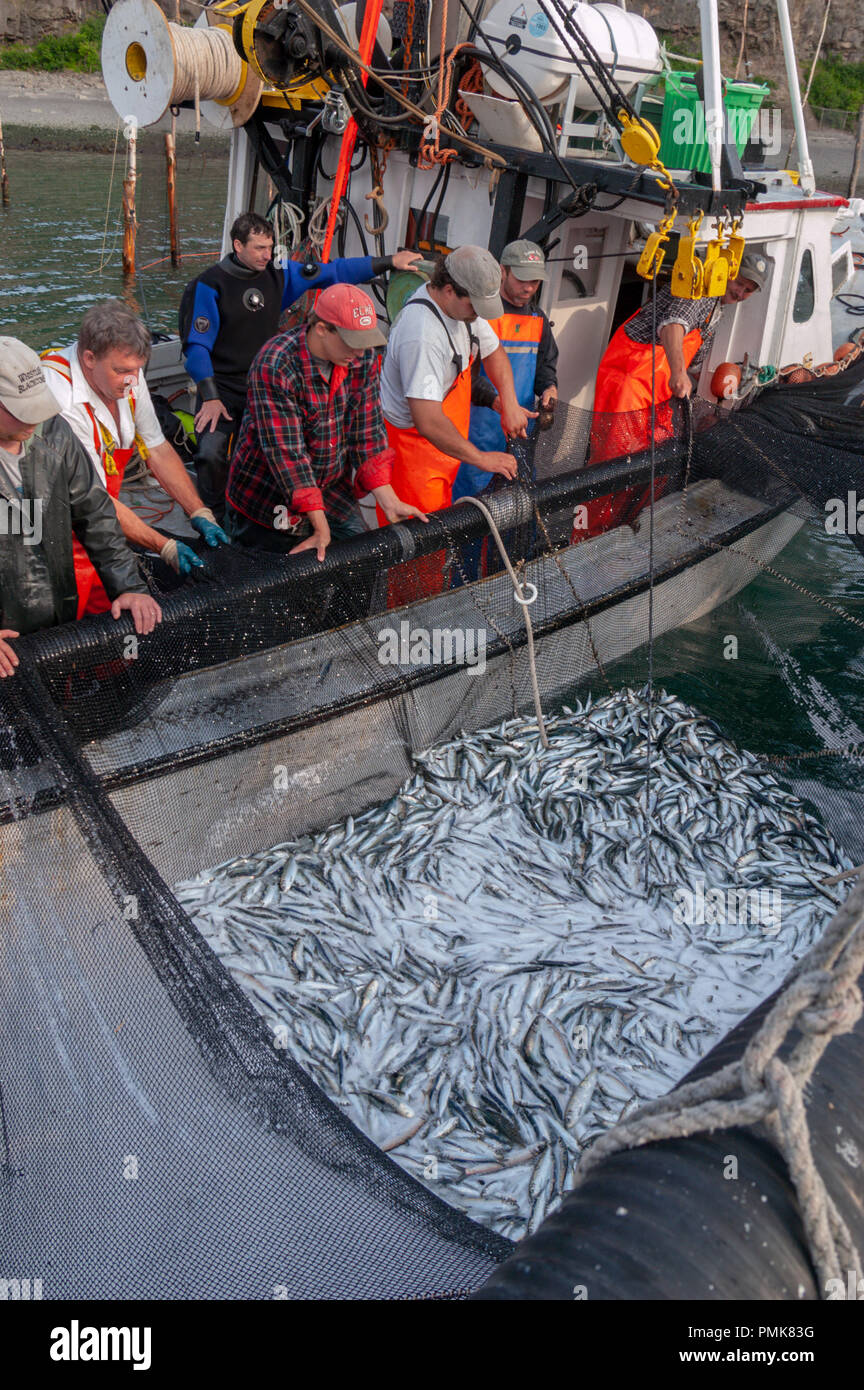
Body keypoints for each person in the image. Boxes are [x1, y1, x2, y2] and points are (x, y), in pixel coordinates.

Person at [181, 212, 423, 518]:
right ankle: (213, 517)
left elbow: (333, 272)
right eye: (258, 248)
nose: (267, 255)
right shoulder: (210, 284)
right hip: (222, 387)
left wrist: (389, 261)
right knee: (211, 452)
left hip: (266, 384)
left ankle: (265, 513)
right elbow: (197, 347)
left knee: (273, 455)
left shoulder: (278, 274)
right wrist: (211, 396)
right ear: (237, 245)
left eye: (270, 247)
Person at [41, 300, 230, 618]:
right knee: (70, 612)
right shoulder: (60, 397)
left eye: (137, 370)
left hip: (101, 524)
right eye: (123, 371)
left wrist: (198, 511)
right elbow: (93, 500)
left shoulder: (126, 373)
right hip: (58, 525)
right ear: (89, 359)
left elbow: (157, 447)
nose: (133, 380)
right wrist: (162, 545)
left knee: (109, 600)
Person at [225, 284, 427, 561]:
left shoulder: (363, 355)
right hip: (267, 495)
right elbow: (288, 454)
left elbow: (366, 431)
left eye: (364, 343)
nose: (359, 353)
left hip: (332, 489)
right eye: (352, 343)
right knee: (267, 577)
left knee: (359, 557)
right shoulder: (275, 364)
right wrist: (320, 529)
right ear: (321, 328)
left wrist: (389, 500)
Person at [0, 337, 161, 678]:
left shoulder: (54, 430)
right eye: (22, 411)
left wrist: (129, 585)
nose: (35, 421)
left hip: (57, 613)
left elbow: (95, 512)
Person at [380, 245, 534, 518]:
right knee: (420, 545)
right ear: (449, 289)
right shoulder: (422, 335)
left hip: (447, 446)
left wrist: (507, 402)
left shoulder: (462, 310)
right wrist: (482, 459)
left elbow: (494, 352)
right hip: (415, 456)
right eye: (475, 305)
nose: (479, 313)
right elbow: (428, 422)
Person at [590, 251, 769, 462]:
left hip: (659, 393)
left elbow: (693, 360)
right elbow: (672, 326)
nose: (740, 292)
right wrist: (678, 372)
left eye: (748, 290)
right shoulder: (701, 291)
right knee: (617, 454)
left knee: (649, 454)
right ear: (726, 272)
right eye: (739, 282)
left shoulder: (716, 309)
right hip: (632, 380)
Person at [454, 239, 559, 503]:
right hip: (475, 432)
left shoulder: (538, 319)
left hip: (519, 433)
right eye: (522, 279)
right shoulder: (479, 316)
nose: (529, 287)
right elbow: (466, 379)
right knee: (470, 505)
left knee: (513, 507)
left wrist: (549, 388)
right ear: (503, 271)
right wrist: (502, 405)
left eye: (535, 281)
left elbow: (545, 365)